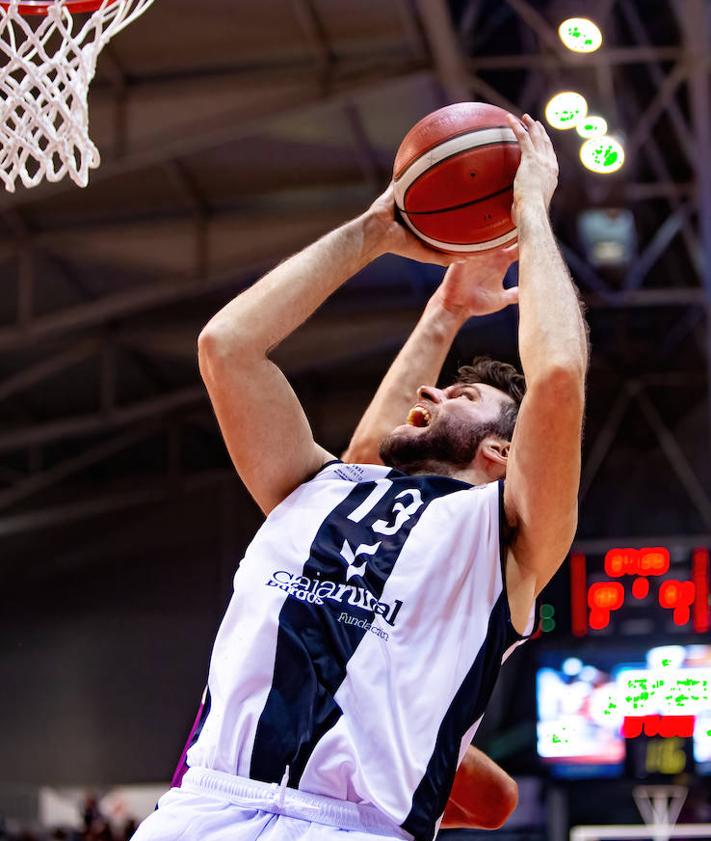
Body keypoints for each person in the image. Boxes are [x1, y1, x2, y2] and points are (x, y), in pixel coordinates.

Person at [133, 113, 587, 841]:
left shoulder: (506, 539)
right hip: (201, 810)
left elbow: (558, 376)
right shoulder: (317, 485)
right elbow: (226, 347)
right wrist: (380, 231)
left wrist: (530, 211)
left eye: (462, 396)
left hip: (351, 827)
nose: (432, 392)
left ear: (501, 451)